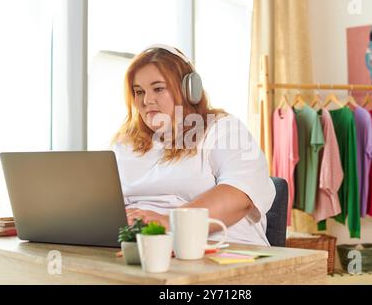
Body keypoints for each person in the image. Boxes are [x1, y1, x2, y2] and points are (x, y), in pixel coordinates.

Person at [111, 44, 275, 246]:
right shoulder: (126, 143)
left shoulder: (223, 129)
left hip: (222, 249)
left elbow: (240, 195)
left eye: (158, 89)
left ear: (189, 90)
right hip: (144, 250)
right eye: (139, 91)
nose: (147, 100)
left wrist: (168, 223)